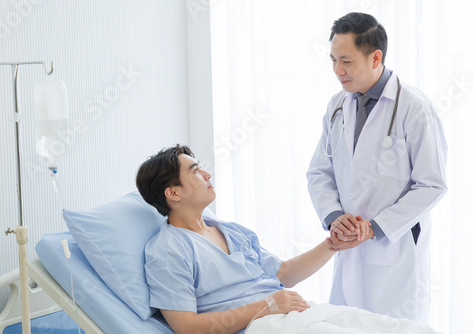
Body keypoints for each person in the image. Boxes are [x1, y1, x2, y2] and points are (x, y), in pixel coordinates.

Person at [136, 144, 370, 334]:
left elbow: (285, 273)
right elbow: (187, 328)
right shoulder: (168, 250)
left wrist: (333, 245)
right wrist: (267, 306)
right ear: (173, 193)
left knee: (379, 325)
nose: (207, 174)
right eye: (195, 171)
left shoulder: (232, 232)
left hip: (295, 316)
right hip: (260, 327)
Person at [306, 12, 447, 323]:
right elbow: (319, 172)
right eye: (332, 60)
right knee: (344, 325)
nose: (337, 71)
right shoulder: (337, 106)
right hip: (348, 250)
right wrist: (334, 216)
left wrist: (375, 227)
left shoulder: (414, 108)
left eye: (346, 61)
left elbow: (432, 185)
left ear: (375, 57)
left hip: (393, 253)